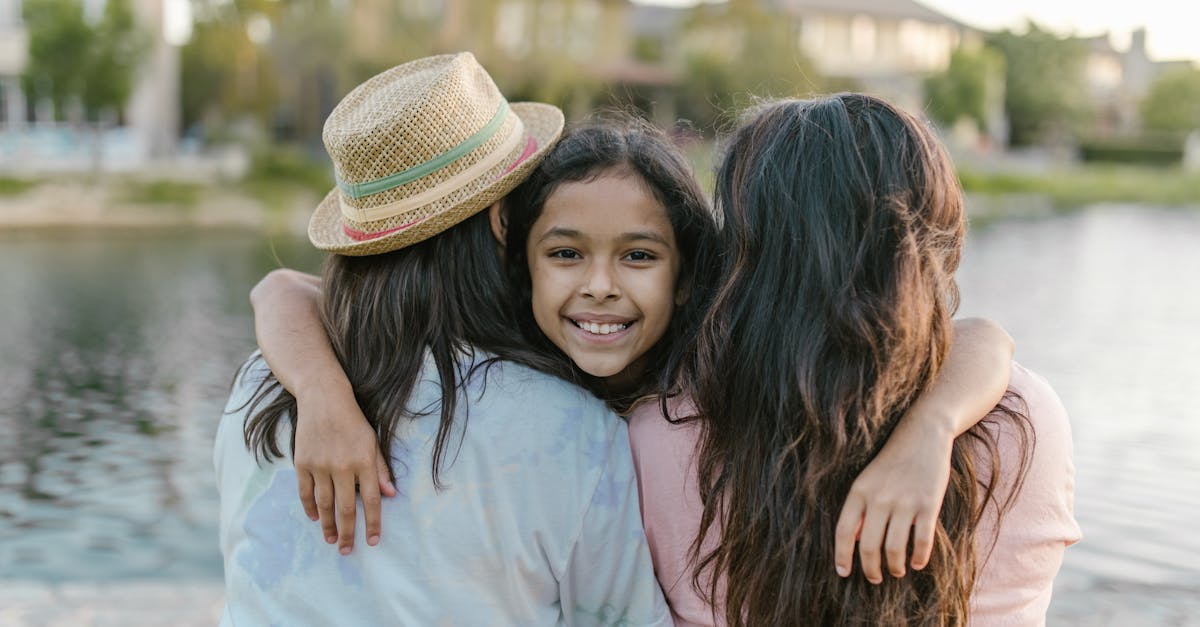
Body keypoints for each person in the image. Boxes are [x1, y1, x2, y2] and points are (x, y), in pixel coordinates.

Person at [255, 109, 1019, 591]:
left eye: (640, 257)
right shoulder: (530, 388)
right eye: (563, 254)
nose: (599, 287)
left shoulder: (709, 380)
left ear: (690, 275)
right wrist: (323, 392)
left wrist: (933, 423)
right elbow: (281, 289)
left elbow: (984, 335)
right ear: (513, 257)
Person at [215, 52, 671, 625]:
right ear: (501, 220)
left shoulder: (259, 383)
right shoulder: (572, 432)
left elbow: (282, 288)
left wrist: (319, 388)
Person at [628, 94, 1081, 625]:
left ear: (745, 253)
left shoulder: (661, 432)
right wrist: (933, 423)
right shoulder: (1021, 424)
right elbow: (982, 339)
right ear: (929, 242)